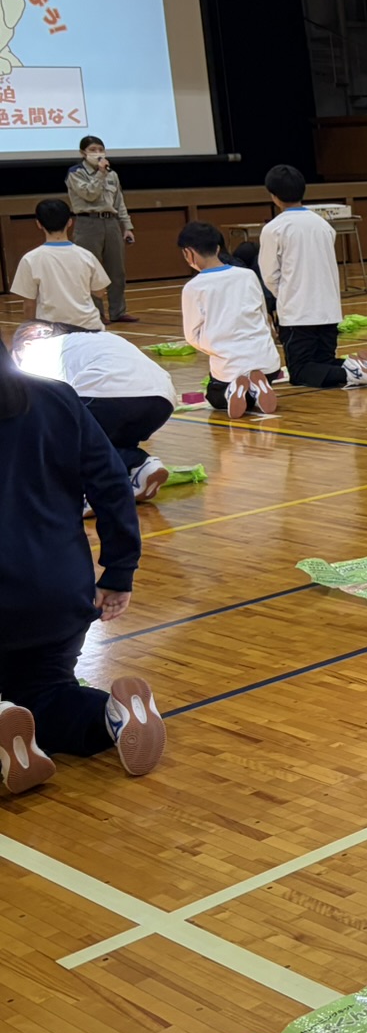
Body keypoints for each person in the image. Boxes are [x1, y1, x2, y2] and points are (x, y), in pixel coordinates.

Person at [0, 336, 162, 796]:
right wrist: (119, 570)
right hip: (59, 591)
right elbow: (111, 483)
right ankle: (110, 715)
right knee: (46, 692)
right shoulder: (56, 397)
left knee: (22, 693)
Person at [260, 165, 367, 391]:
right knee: (323, 360)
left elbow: (270, 274)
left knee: (299, 371)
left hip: (297, 313)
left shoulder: (274, 229)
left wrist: (284, 298)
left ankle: (352, 372)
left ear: (274, 196)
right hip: (328, 309)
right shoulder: (323, 224)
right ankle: (356, 366)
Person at [13, 320, 175, 500]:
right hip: (163, 400)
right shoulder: (100, 338)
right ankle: (138, 467)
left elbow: (34, 404)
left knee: (55, 441)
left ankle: (129, 466)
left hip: (109, 396)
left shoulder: (40, 350)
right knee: (105, 441)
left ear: (27, 344)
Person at [178, 222, 283, 417]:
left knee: (214, 396)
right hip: (268, 362)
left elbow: (191, 336)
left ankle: (235, 389)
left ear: (188, 253)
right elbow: (263, 316)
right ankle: (256, 387)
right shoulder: (248, 275)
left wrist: (216, 347)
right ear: (218, 248)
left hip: (230, 366)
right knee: (254, 373)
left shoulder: (193, 287)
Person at [65, 136, 135, 323]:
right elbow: (90, 194)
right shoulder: (76, 173)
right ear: (83, 153)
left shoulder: (113, 175)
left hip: (111, 222)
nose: (98, 153)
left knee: (117, 270)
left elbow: (119, 203)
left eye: (100, 149)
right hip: (88, 223)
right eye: (93, 150)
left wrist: (127, 226)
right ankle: (96, 314)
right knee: (90, 270)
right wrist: (100, 173)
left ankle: (118, 311)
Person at [10, 199, 110, 330]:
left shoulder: (30, 259)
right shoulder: (86, 255)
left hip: (53, 331)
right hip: (90, 328)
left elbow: (29, 304)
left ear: (39, 224)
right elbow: (99, 292)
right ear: (69, 222)